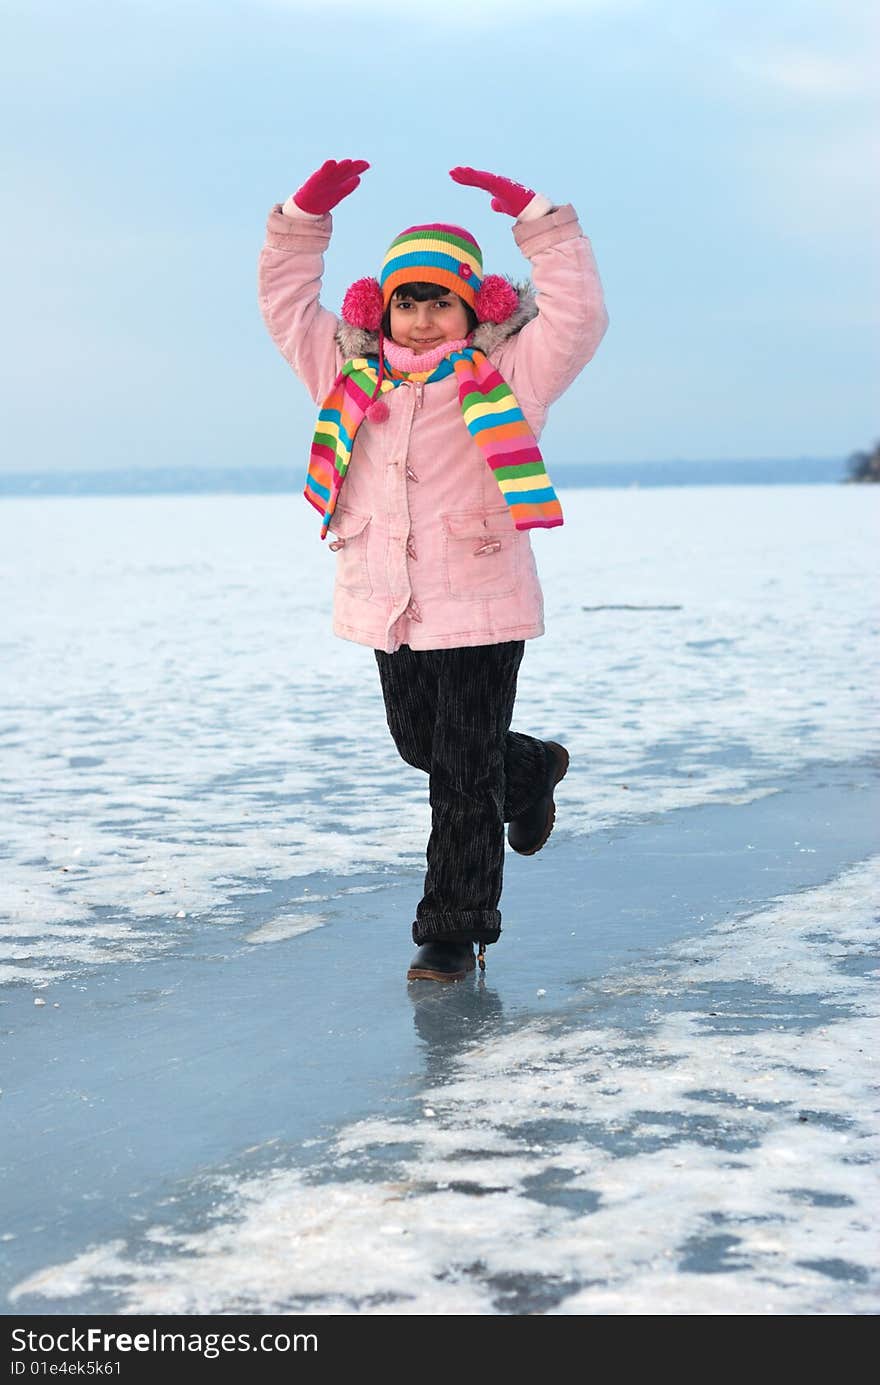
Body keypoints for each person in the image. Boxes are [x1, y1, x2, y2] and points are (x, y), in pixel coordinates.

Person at [257, 159, 609, 983]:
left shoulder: (509, 376)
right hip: (390, 603)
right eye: (404, 301)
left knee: (458, 771)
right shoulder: (345, 373)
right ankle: (530, 769)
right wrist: (301, 222)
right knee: (423, 743)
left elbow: (579, 317)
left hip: (482, 597)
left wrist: (543, 223)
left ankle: (452, 929)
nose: (419, 318)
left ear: (471, 305)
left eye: (438, 300)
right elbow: (282, 307)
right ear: (379, 309)